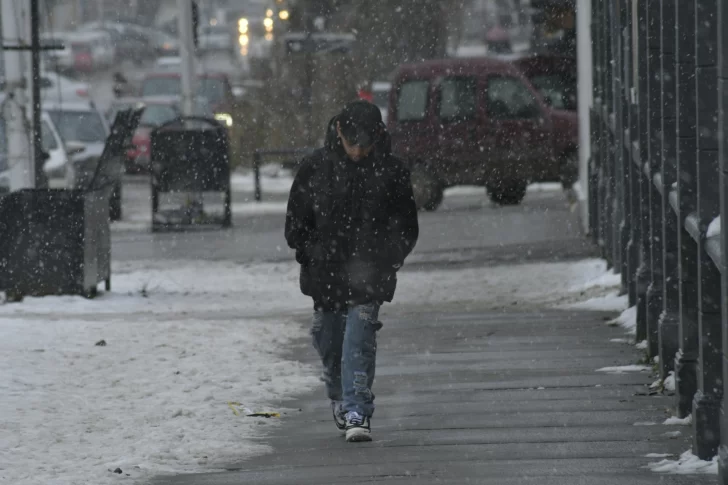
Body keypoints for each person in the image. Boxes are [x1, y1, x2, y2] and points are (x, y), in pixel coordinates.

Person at [285, 100, 419, 442]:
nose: (358, 152)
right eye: (352, 144)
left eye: (365, 145)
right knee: (329, 342)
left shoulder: (391, 171)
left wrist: (388, 258)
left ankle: (357, 408)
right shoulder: (315, 169)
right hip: (325, 273)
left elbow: (406, 225)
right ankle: (339, 393)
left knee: (358, 340)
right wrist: (311, 252)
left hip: (370, 274)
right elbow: (295, 224)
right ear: (339, 132)